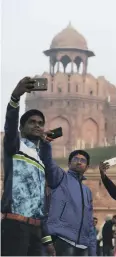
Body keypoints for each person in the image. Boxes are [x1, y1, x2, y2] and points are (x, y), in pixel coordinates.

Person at [1, 77, 55, 256]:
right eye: (32, 122)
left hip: (35, 229)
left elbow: (39, 202)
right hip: (15, 224)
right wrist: (15, 98)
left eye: (40, 123)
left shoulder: (38, 160)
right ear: (22, 127)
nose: (37, 126)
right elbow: (9, 126)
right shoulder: (15, 146)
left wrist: (46, 239)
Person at [39, 147, 97, 256]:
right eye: (75, 159)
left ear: (87, 167)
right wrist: (45, 144)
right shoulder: (60, 178)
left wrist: (93, 252)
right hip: (62, 239)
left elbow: (90, 223)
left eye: (83, 160)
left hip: (83, 246)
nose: (79, 162)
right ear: (69, 164)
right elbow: (48, 162)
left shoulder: (87, 191)